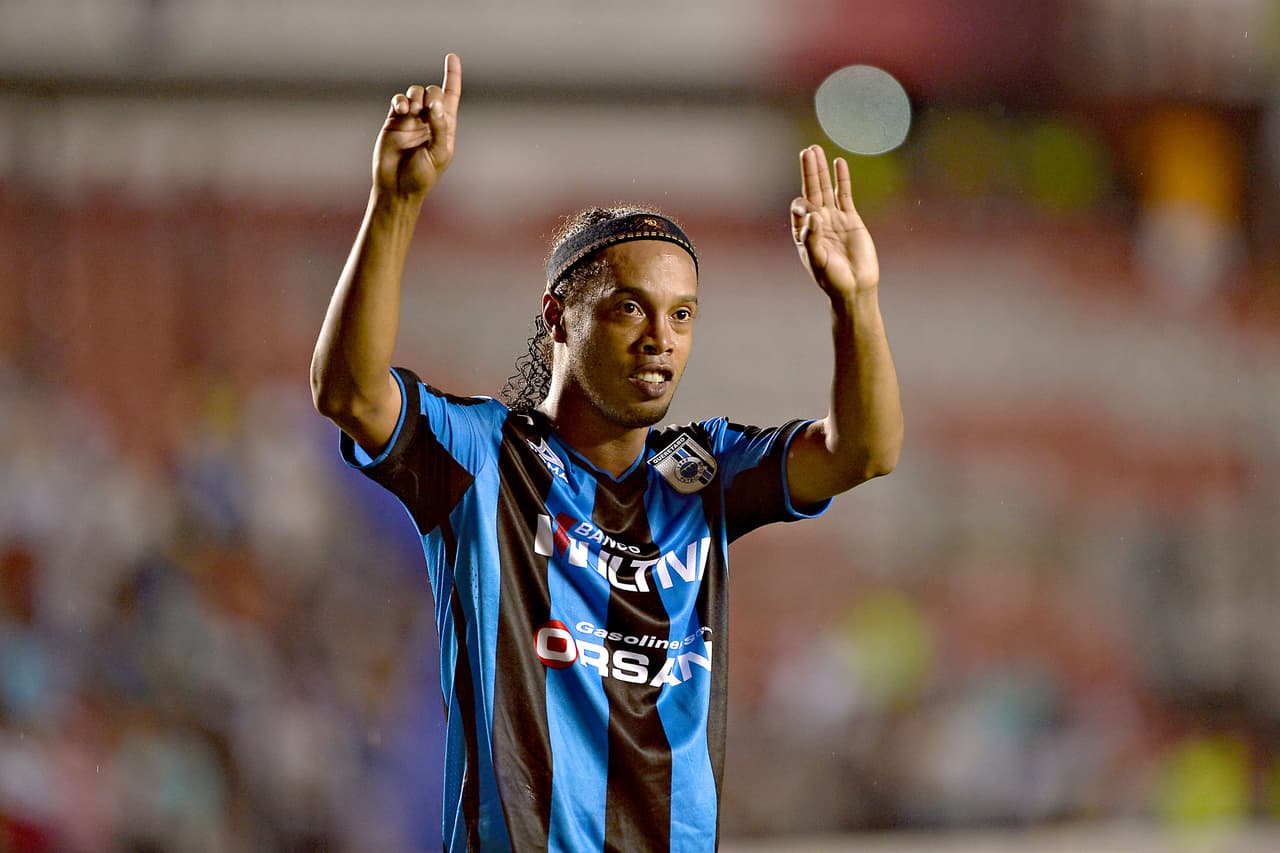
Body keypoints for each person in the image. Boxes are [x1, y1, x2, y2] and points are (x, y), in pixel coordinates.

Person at [311, 53, 903, 853]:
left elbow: (864, 451)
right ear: (558, 317)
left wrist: (855, 301)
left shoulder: (704, 471)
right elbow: (350, 393)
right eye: (630, 307)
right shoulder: (483, 458)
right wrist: (395, 201)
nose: (662, 338)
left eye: (682, 314)